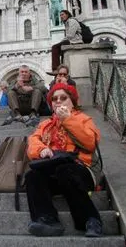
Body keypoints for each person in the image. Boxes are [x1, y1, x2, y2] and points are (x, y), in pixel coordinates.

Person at [26, 83, 102, 237]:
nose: (58, 101)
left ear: (72, 101)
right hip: (54, 171)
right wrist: (41, 150)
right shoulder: (45, 124)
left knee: (65, 170)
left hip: (81, 169)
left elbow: (90, 143)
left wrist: (67, 119)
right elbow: (33, 142)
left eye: (63, 98)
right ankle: (47, 219)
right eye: (54, 99)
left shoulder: (83, 119)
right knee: (32, 176)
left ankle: (90, 219)